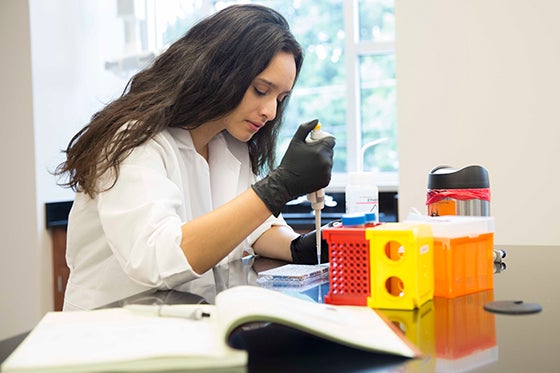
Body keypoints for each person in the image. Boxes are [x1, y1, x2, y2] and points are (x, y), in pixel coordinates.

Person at [55, 4, 335, 310]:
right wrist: (277, 187)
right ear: (220, 71)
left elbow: (253, 228)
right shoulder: (132, 141)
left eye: (279, 99)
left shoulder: (228, 145)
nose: (270, 112)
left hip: (184, 325)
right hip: (109, 333)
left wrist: (298, 247)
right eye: (260, 90)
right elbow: (158, 258)